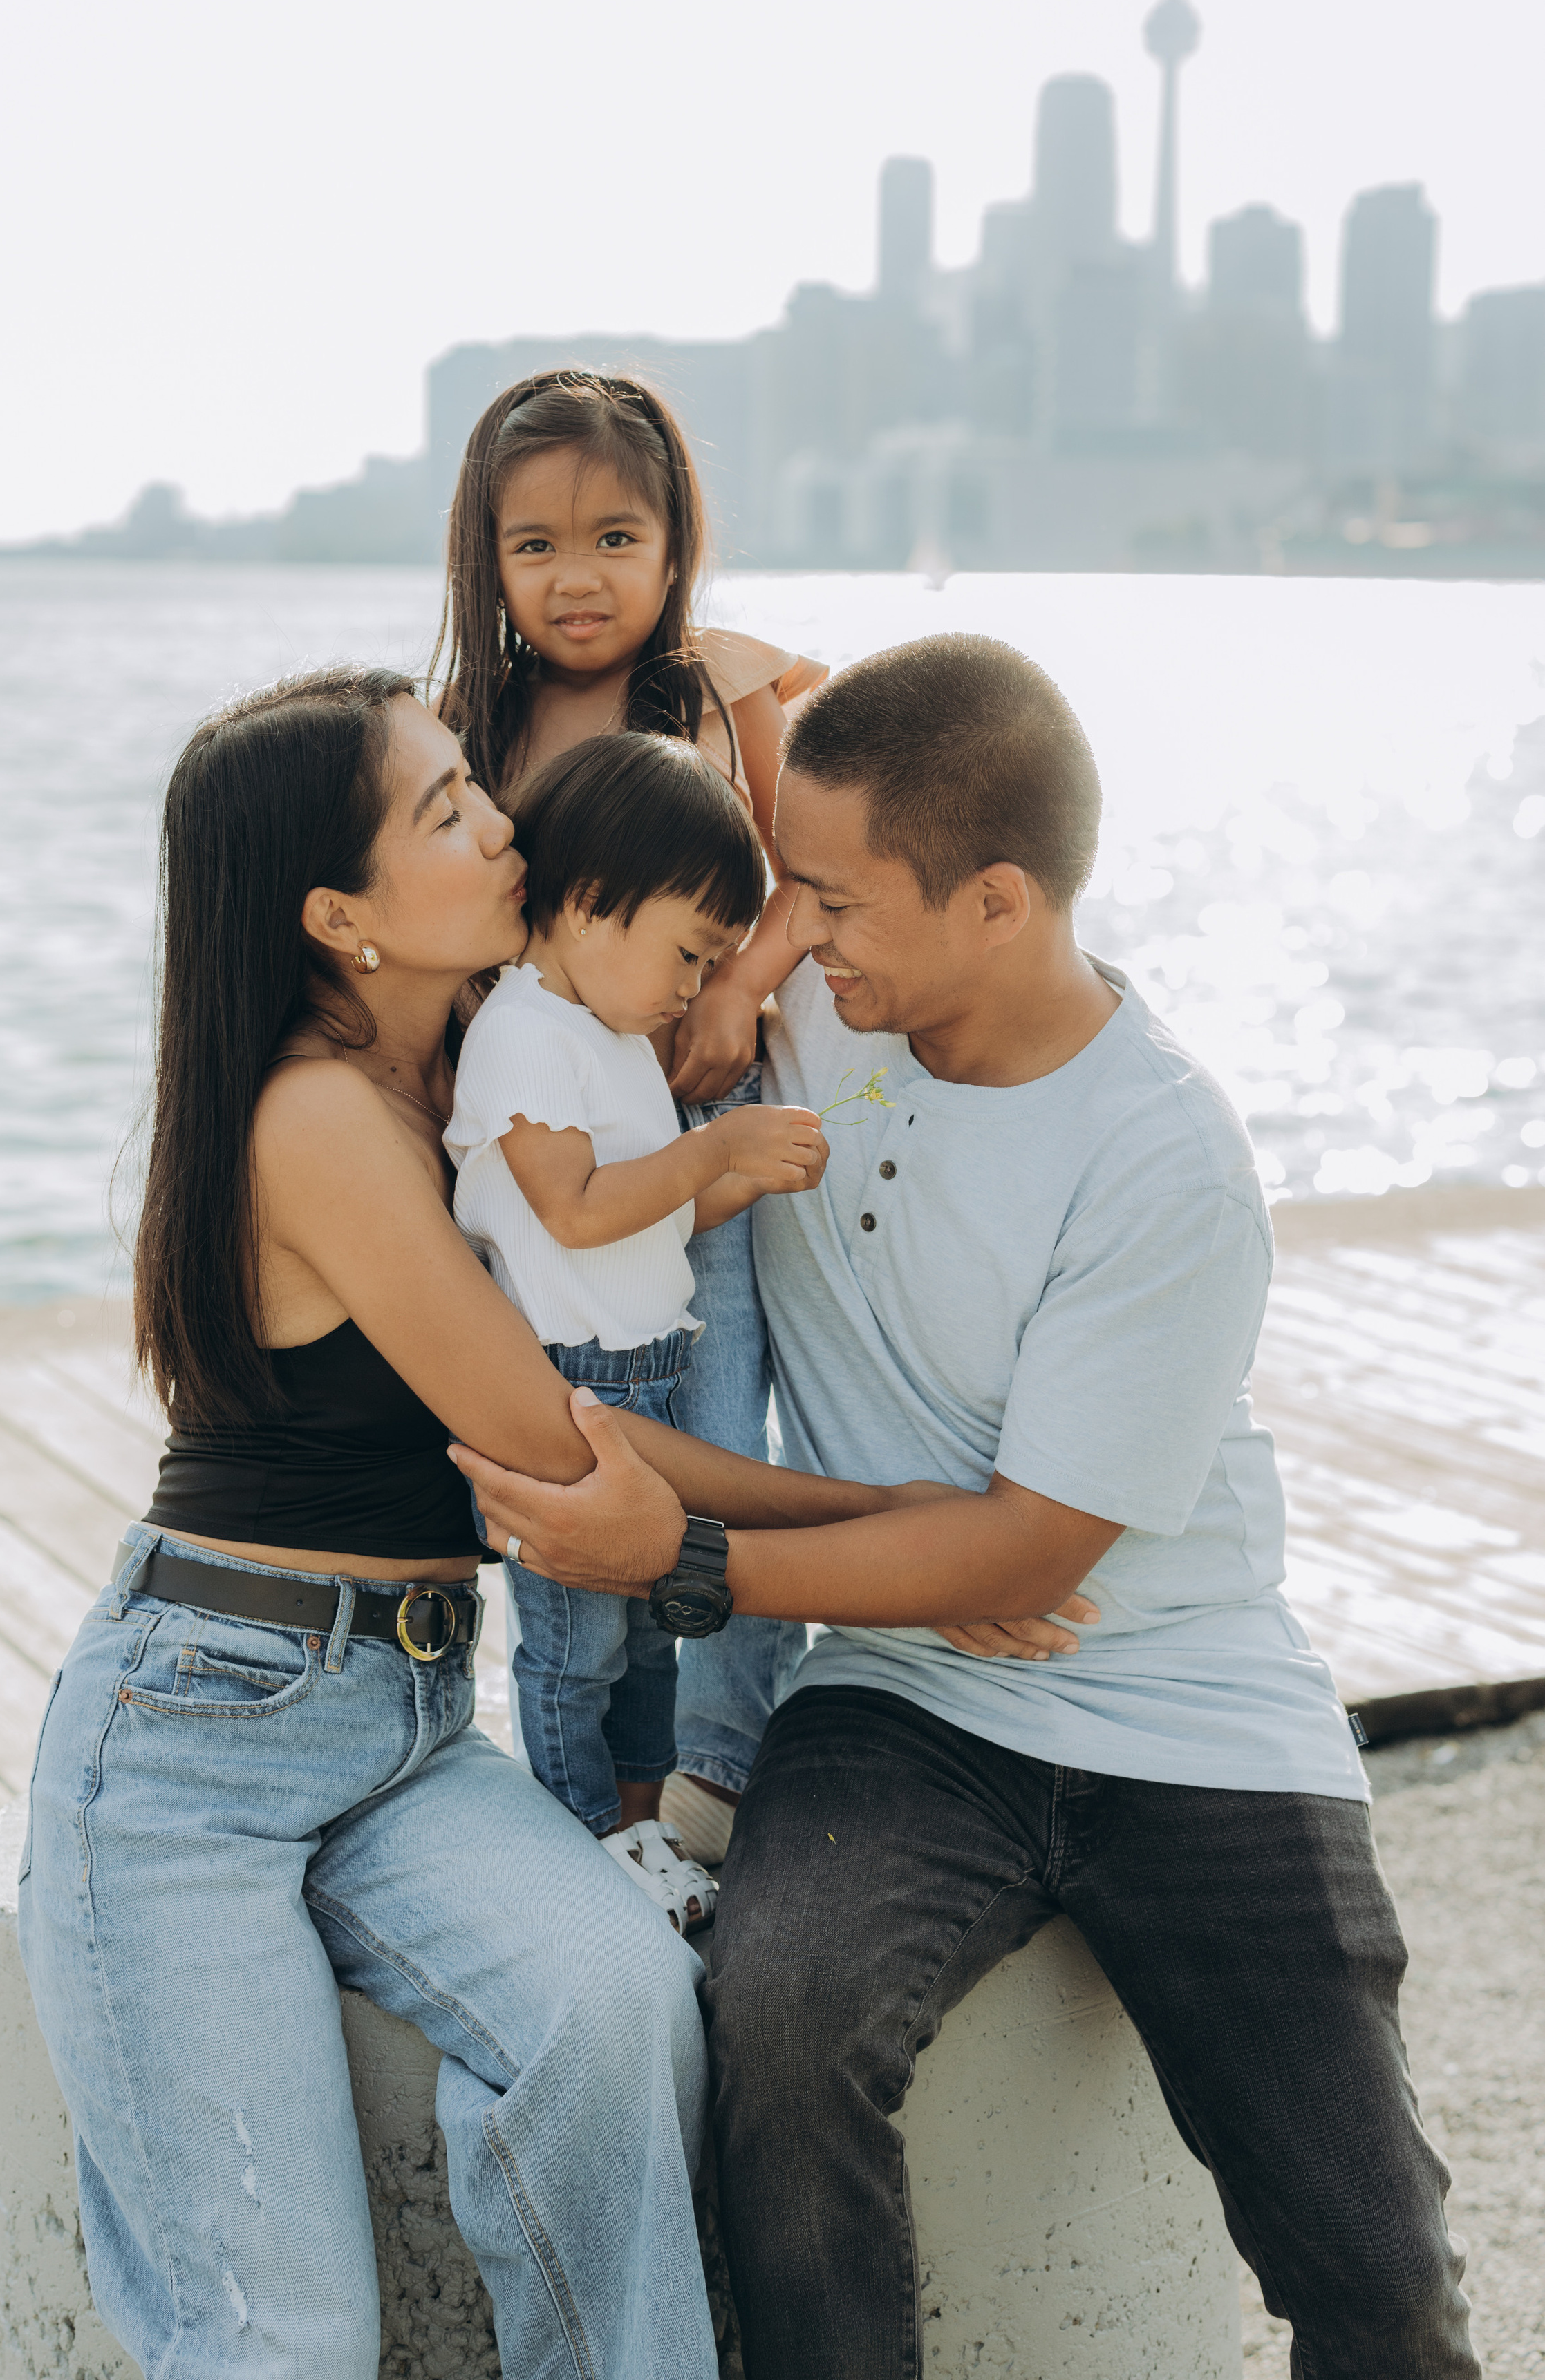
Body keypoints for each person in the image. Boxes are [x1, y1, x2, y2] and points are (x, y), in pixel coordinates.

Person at [17, 661, 1074, 2380]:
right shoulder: (314, 1120)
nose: (502, 818)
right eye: (446, 809)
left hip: (408, 1729)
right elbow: (569, 1440)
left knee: (619, 2014)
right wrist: (924, 1525)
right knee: (285, 2338)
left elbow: (721, 948)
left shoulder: (470, 1093)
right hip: (195, 1745)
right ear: (337, 916)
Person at [456, 634, 1481, 2380]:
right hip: (903, 1701)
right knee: (774, 2038)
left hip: (1185, 1702)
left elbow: (1027, 1550)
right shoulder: (805, 1011)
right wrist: (758, 909)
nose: (797, 933)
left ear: (994, 903)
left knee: (1372, 2268)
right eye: (787, 899)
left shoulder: (1160, 1154)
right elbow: (615, 942)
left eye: (835, 902)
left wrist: (683, 1561)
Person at [434, 367, 829, 1863]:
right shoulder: (468, 725)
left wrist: (735, 992)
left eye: (614, 537)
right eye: (532, 546)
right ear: (488, 562)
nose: (575, 576)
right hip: (557, 1179)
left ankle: (723, 1776)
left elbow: (799, 879)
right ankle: (596, 1794)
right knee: (581, 1474)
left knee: (718, 1446)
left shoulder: (714, 692)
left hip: (701, 1158)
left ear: (673, 544)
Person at [445, 733, 825, 1927]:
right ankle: (580, 1838)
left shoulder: (611, 1038)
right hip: (568, 1394)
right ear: (596, 902)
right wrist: (712, 1149)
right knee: (573, 1647)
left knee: (655, 1627)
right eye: (687, 951)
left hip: (644, 1368)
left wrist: (737, 1182)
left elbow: (641, 1226)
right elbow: (574, 1206)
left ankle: (641, 1826)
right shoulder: (523, 1036)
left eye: (713, 960)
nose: (689, 986)